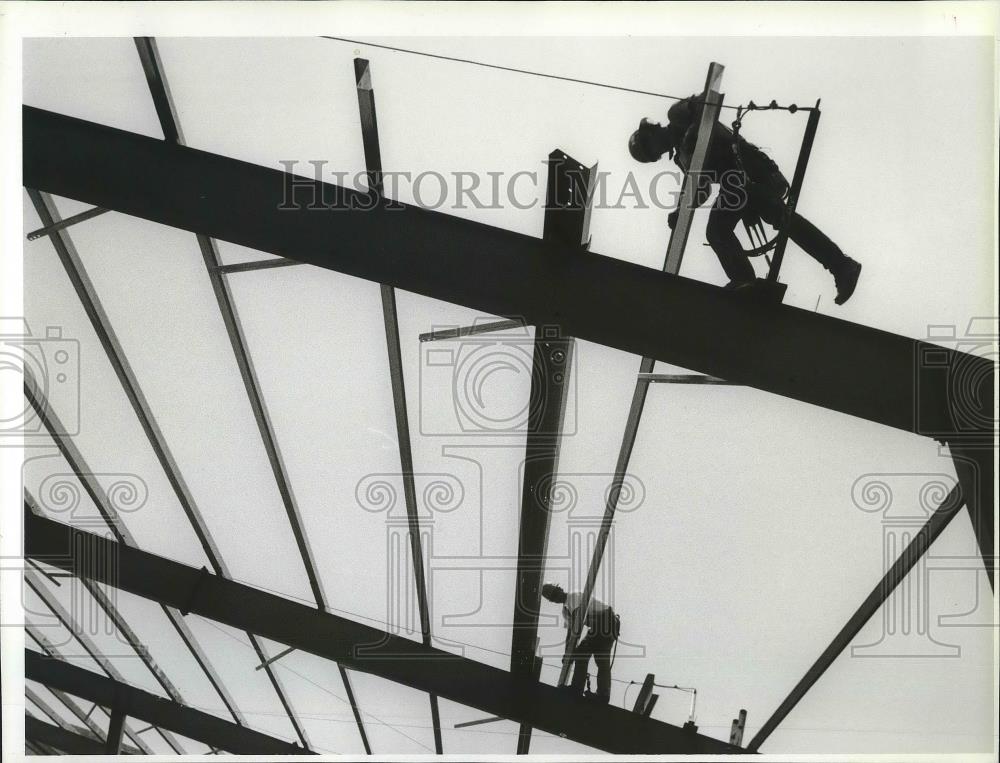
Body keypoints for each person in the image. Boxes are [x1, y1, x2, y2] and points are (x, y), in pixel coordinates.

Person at [628, 95, 862, 305]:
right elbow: (702, 188)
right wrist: (681, 209)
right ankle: (746, 282)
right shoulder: (683, 157)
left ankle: (840, 266)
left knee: (774, 218)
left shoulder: (677, 115)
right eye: (654, 156)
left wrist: (693, 133)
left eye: (652, 149)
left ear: (652, 132)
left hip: (747, 167)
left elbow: (708, 104)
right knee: (721, 230)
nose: (658, 153)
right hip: (735, 184)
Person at [541, 583, 619, 703]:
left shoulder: (573, 596)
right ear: (552, 601)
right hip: (600, 625)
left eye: (555, 593)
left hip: (606, 620)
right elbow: (570, 633)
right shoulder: (565, 611)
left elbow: (578, 619)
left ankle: (582, 689)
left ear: (560, 589)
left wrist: (571, 653)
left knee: (585, 654)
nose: (556, 598)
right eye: (552, 598)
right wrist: (567, 653)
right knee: (595, 657)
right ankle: (600, 693)